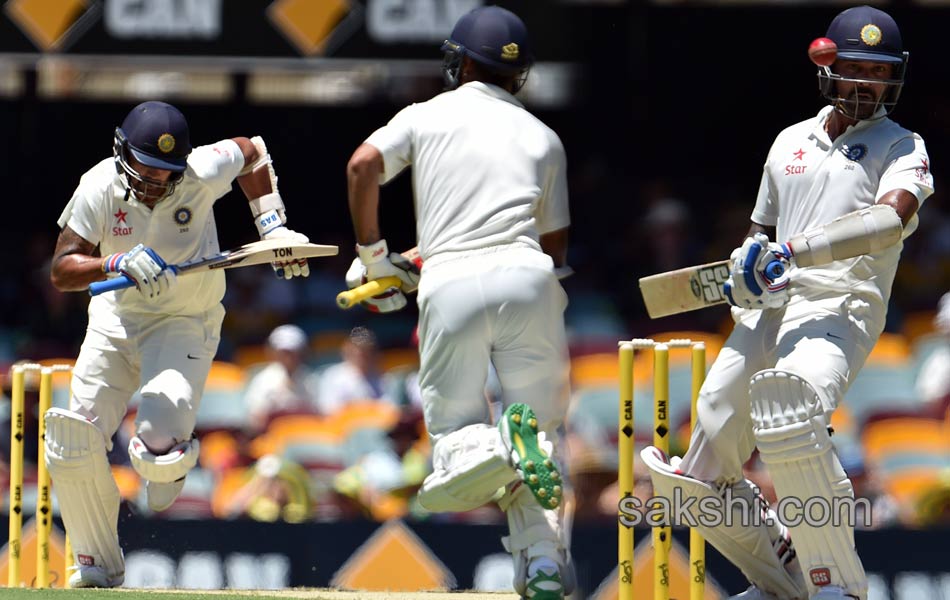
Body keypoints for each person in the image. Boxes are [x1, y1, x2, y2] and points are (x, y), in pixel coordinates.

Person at [641, 6, 932, 600]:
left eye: (879, 73)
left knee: (790, 411)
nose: (867, 84)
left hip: (837, 311)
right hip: (768, 311)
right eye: (855, 69)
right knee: (692, 477)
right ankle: (783, 584)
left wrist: (794, 251)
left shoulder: (901, 145)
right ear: (828, 65)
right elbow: (757, 234)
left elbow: (890, 218)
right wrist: (747, 268)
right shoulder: (789, 142)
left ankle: (841, 587)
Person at [342, 6, 573, 598]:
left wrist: (376, 256)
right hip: (530, 277)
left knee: (454, 435)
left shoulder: (426, 114)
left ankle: (494, 444)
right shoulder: (544, 137)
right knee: (542, 438)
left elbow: (362, 165)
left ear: (463, 61)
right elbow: (553, 246)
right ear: (517, 74)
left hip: (452, 282)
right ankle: (543, 564)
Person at [45, 100, 310, 587]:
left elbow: (252, 151)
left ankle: (169, 461)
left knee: (158, 456)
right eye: (146, 169)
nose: (155, 182)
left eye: (166, 172)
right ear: (122, 152)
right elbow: (62, 269)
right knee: (70, 439)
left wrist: (272, 225)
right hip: (115, 320)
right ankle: (96, 565)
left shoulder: (200, 170)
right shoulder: (99, 185)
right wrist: (114, 263)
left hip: (184, 319)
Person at [244, 324, 320, 432]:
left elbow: (318, 414)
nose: (289, 358)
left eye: (293, 352)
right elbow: (255, 419)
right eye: (284, 353)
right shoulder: (262, 380)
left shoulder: (311, 380)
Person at [316, 326, 390, 415]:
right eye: (357, 349)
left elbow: (389, 407)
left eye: (366, 350)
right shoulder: (333, 375)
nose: (361, 354)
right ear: (347, 350)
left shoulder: (381, 377)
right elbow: (328, 409)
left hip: (375, 423)